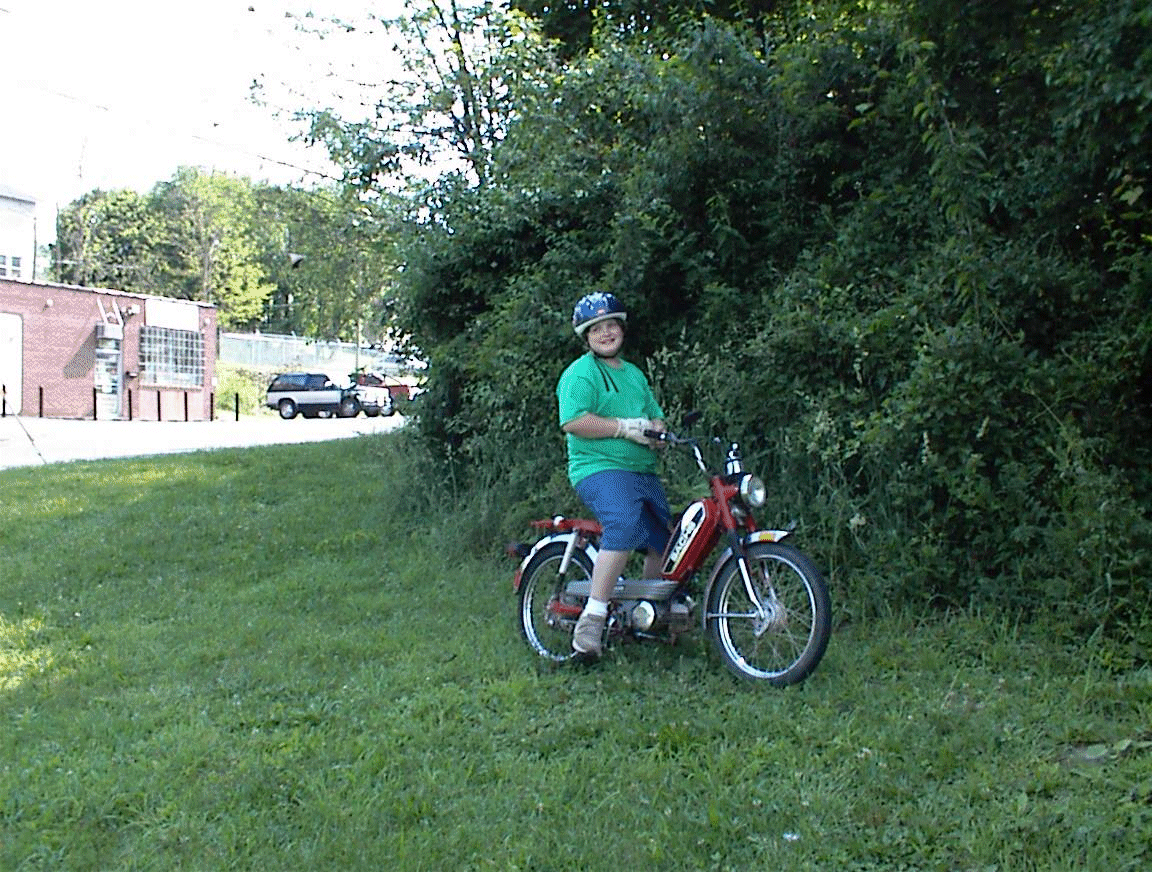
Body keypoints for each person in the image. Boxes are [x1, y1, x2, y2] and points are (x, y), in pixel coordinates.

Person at [556, 292, 671, 659]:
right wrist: (623, 427)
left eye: (611, 326)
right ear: (586, 336)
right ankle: (592, 618)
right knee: (622, 522)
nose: (606, 333)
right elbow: (574, 421)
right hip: (600, 469)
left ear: (621, 329)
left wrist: (656, 432)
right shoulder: (580, 374)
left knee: (665, 540)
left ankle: (649, 612)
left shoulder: (634, 374)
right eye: (597, 329)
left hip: (642, 470)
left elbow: (655, 416)